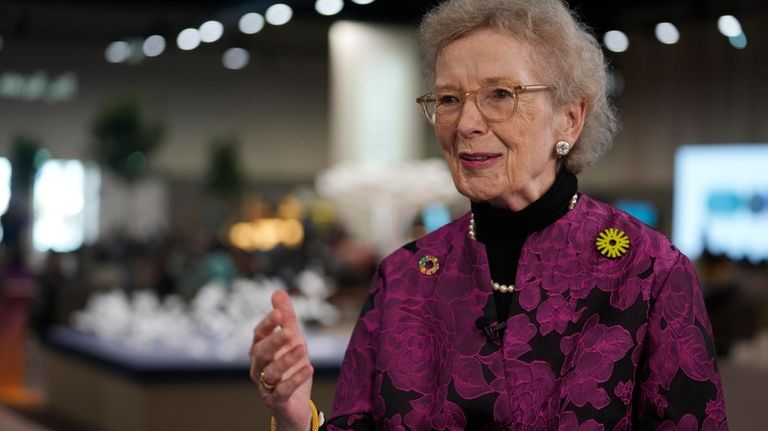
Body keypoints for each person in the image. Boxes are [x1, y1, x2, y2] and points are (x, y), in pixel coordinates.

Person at [250, 0, 729, 429]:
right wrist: (294, 417)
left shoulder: (650, 272)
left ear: (570, 117)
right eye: (450, 99)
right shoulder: (403, 278)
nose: (467, 123)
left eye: (500, 95)